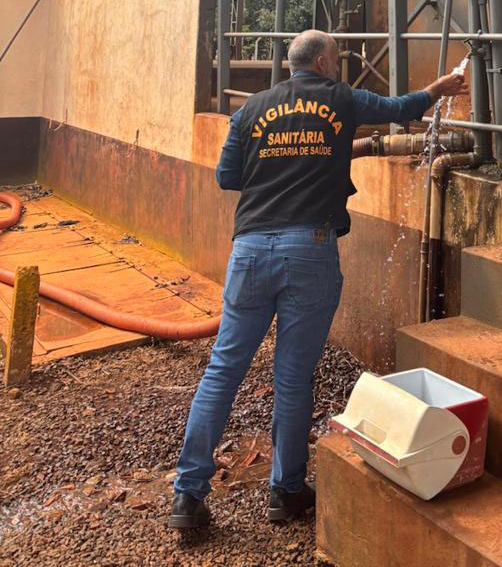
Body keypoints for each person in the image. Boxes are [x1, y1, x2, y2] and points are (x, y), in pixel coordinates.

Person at [168, 30, 468, 528]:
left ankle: (187, 494)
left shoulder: (251, 109)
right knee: (291, 377)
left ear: (292, 64)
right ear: (325, 63)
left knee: (222, 370)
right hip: (309, 249)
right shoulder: (340, 98)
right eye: (337, 59)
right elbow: (400, 107)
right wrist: (438, 89)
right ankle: (286, 491)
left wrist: (276, 167)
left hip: (250, 249)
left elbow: (227, 177)